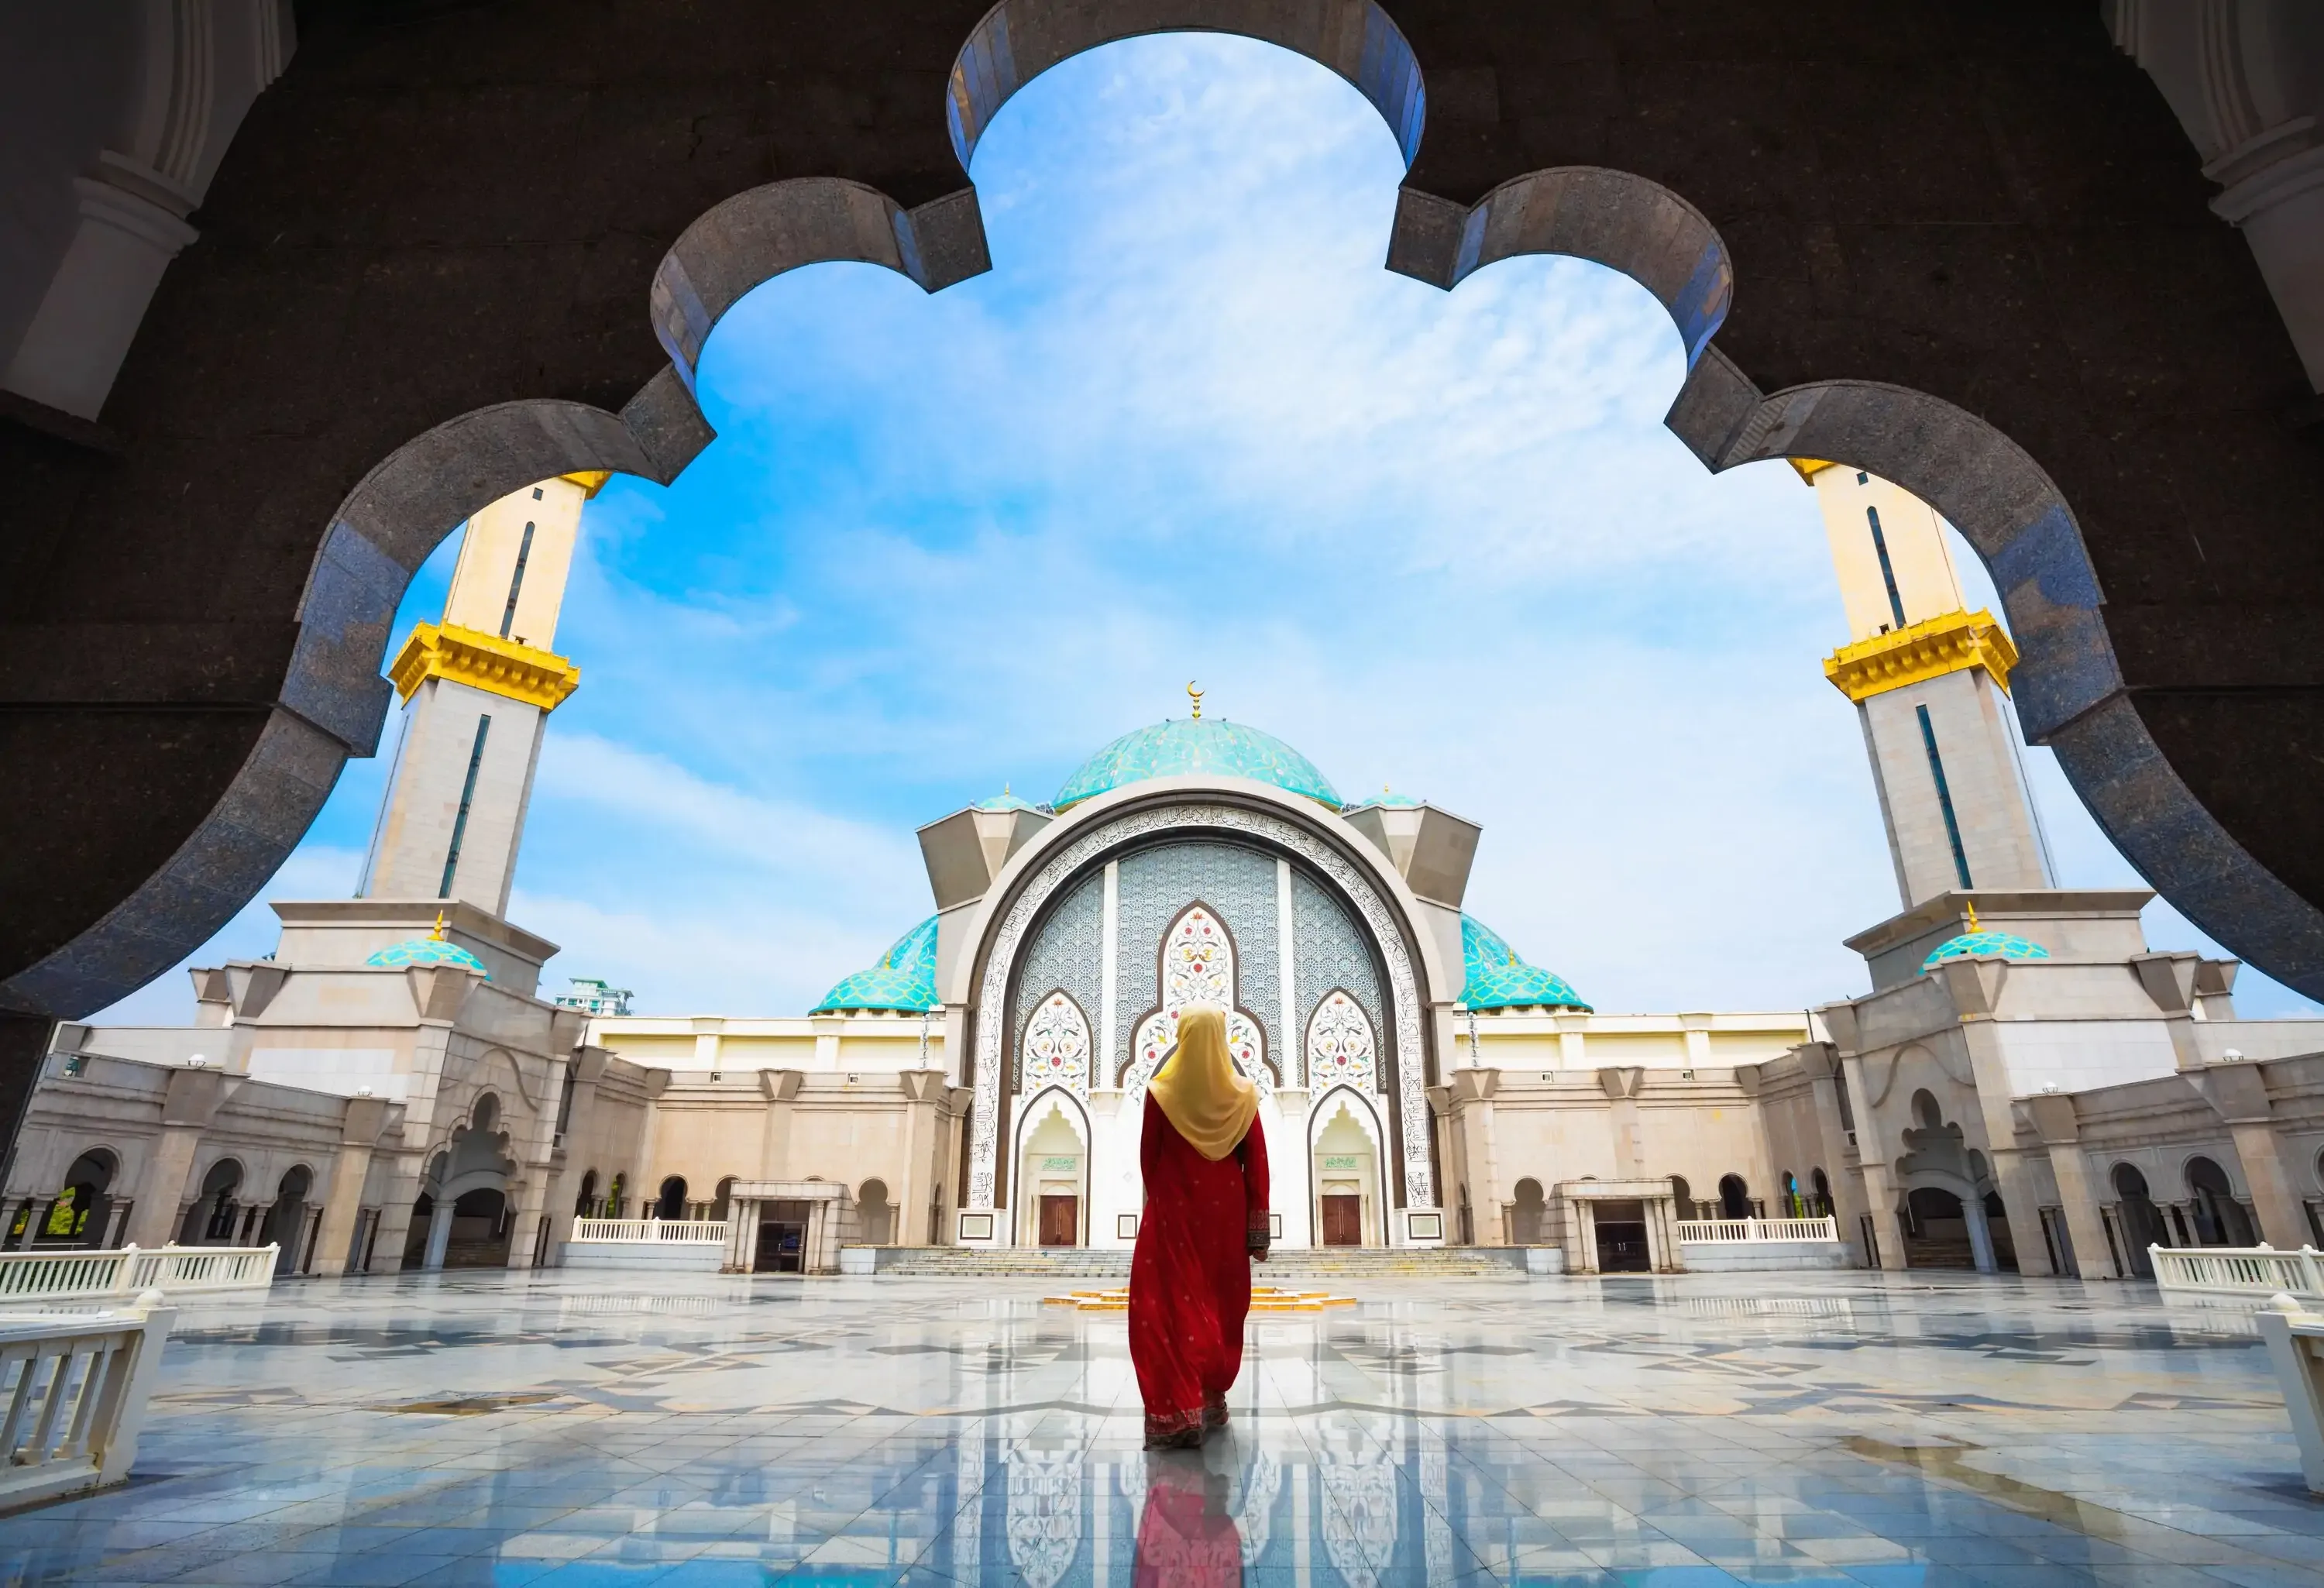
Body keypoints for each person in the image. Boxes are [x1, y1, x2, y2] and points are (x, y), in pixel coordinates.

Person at [1128, 1004, 1269, 1449]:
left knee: (1166, 1307)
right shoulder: (1243, 1096)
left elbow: (1148, 1156)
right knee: (1220, 1305)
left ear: (1184, 1036)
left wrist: (1161, 1203)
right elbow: (1257, 1163)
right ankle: (1210, 1398)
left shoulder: (1161, 1091)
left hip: (1174, 1213)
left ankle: (1177, 1408)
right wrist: (1256, 1226)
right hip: (1224, 1214)